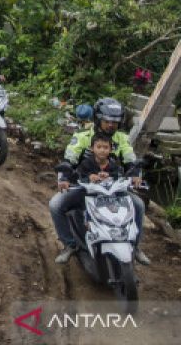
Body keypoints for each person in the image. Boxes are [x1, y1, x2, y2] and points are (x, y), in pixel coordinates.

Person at [50, 97, 149, 265]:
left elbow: (131, 161)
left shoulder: (122, 139)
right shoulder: (82, 136)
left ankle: (135, 246)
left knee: (138, 205)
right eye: (107, 121)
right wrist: (65, 179)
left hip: (115, 189)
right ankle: (70, 245)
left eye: (115, 122)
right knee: (55, 205)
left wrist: (136, 175)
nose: (111, 125)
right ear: (98, 119)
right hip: (85, 188)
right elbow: (69, 159)